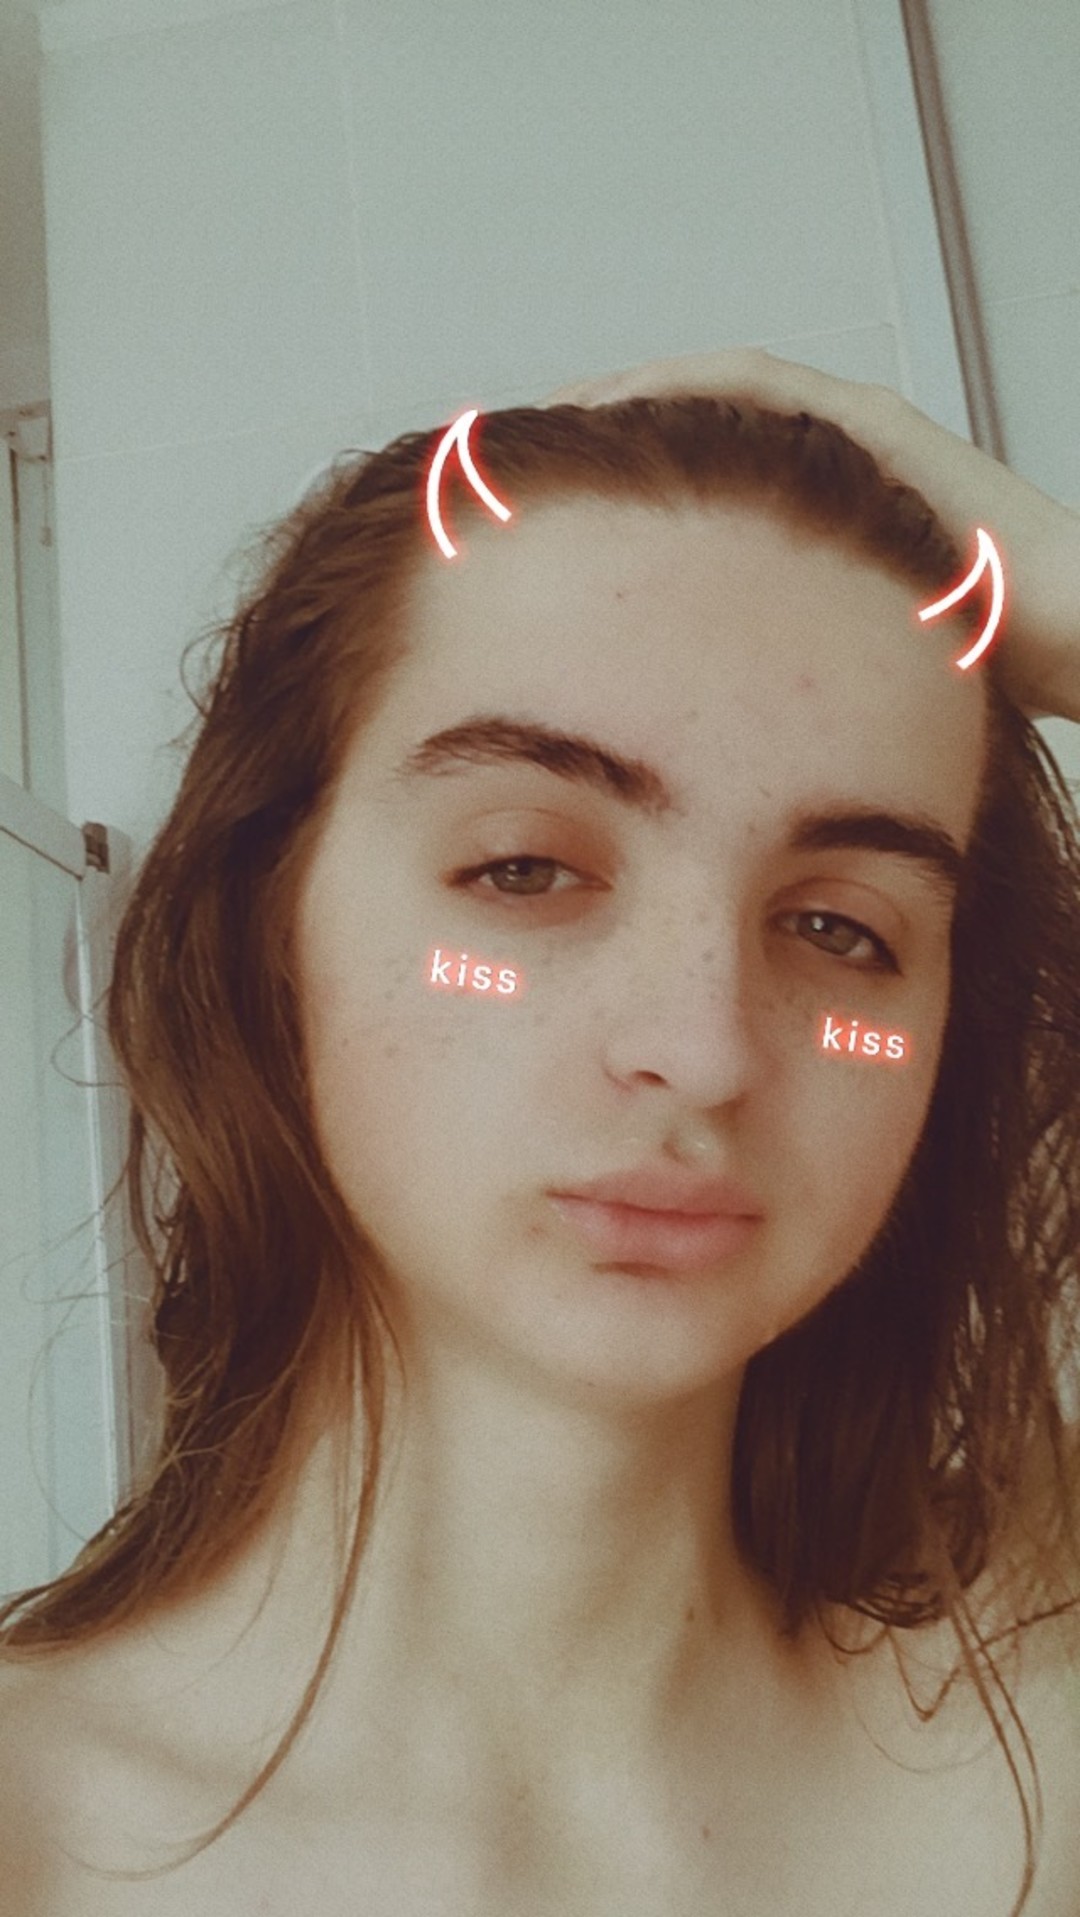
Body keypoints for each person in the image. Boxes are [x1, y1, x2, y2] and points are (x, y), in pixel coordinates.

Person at [1, 348, 1079, 1917]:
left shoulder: (1041, 1712)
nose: (703, 1050)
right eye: (524, 870)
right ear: (267, 924)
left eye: (842, 930)